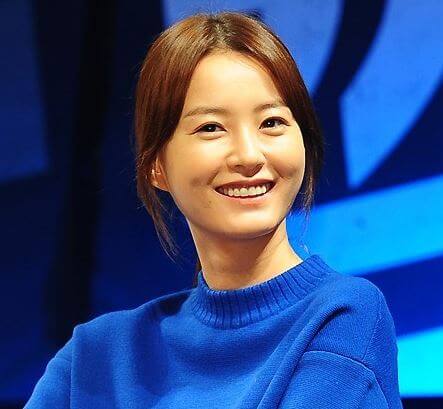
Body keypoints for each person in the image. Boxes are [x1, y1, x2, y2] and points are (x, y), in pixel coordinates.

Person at [25, 11, 403, 408]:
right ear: (156, 166)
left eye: (272, 122)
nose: (249, 155)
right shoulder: (95, 356)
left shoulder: (342, 315)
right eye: (211, 128)